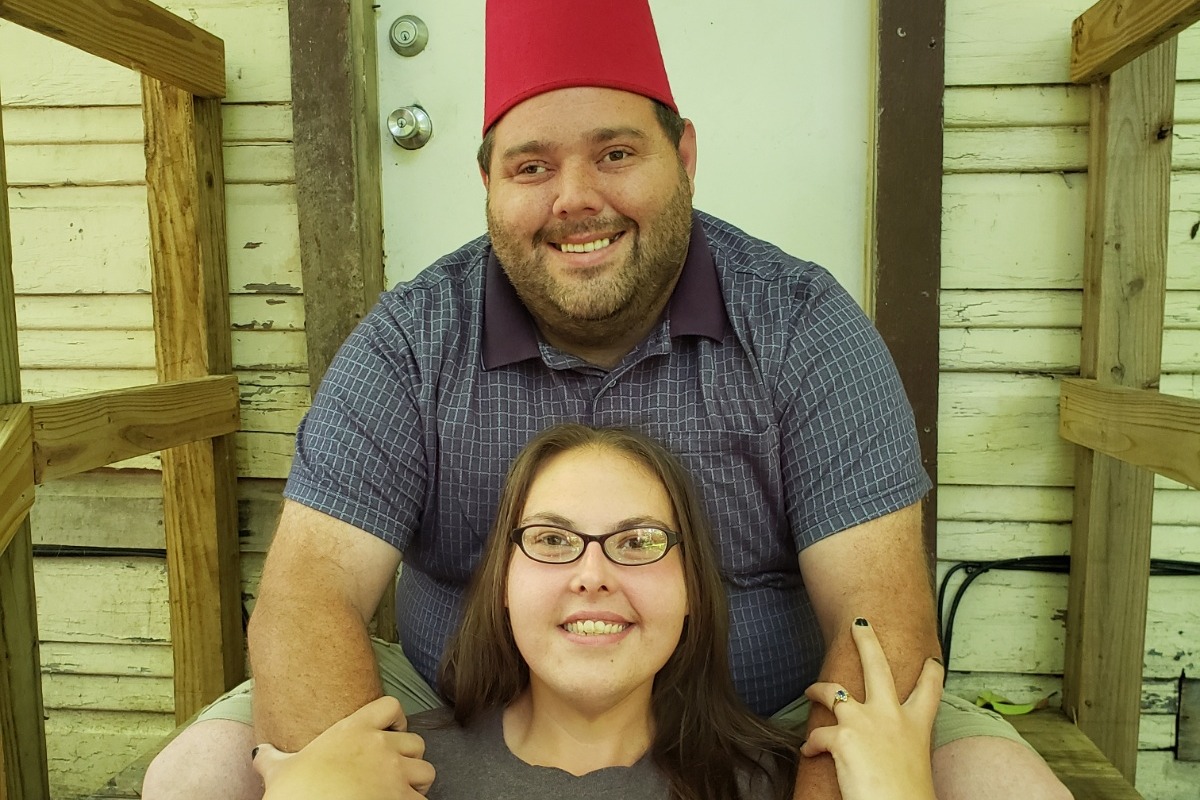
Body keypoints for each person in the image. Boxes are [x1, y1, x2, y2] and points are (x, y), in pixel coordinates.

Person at [142, 1, 1071, 798]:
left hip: (773, 715)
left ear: (685, 155)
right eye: (532, 167)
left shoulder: (801, 323)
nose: (576, 199)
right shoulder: (412, 338)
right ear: (488, 183)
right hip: (451, 708)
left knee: (1005, 784)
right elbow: (307, 593)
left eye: (616, 153)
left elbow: (879, 610)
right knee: (197, 774)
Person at [248, 424, 943, 800]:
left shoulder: (778, 784)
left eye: (638, 542)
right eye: (552, 540)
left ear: (692, 591)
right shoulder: (403, 774)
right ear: (503, 585)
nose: (592, 575)